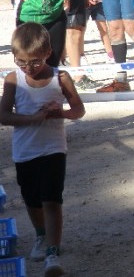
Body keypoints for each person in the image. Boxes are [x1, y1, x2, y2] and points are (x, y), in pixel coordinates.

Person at [0, 22, 85, 277]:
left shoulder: (61, 78)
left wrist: (61, 113)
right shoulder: (13, 80)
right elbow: (3, 116)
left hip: (53, 147)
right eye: (21, 62)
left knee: (51, 199)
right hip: (25, 151)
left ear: (48, 52)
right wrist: (31, 119)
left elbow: (78, 110)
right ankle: (40, 235)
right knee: (31, 199)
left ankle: (52, 252)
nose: (28, 68)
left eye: (34, 62)